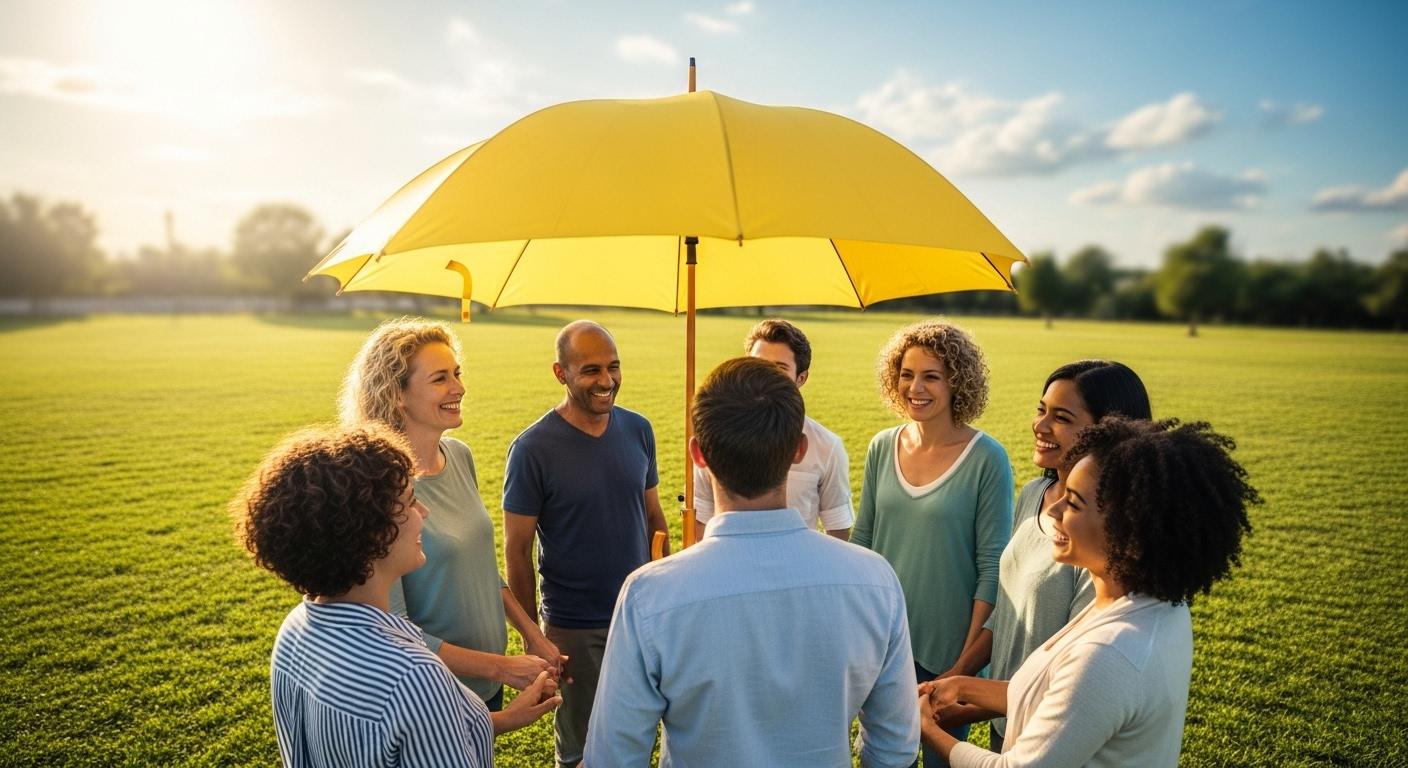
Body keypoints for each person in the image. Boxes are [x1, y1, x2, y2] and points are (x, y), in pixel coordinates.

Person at [584, 357, 920, 767]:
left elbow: (614, 758)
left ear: (698, 455)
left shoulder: (649, 595)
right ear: (799, 449)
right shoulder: (874, 580)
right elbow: (896, 746)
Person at [921, 418, 1258, 767]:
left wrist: (927, 729)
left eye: (1075, 503)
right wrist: (962, 687)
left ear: (1132, 535)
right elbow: (1062, 697)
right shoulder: (1144, 604)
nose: (1053, 510)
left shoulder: (1110, 653)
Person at [231, 424, 560, 767]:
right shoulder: (415, 676)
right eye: (410, 502)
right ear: (371, 534)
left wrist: (504, 719)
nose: (424, 513)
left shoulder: (294, 631)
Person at [340, 318, 563, 712]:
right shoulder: (379, 489)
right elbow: (393, 628)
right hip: (429, 690)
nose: (458, 388)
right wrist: (502, 668)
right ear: (396, 395)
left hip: (488, 682)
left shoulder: (460, 456)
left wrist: (532, 634)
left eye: (457, 374)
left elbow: (479, 566)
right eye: (440, 378)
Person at [940, 361, 1151, 752]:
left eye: (1062, 417)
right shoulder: (1033, 494)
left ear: (1107, 430)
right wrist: (956, 676)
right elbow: (1007, 612)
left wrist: (968, 706)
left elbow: (1075, 665)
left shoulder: (1101, 536)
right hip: (1002, 716)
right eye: (1041, 410)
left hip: (1050, 728)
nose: (1040, 425)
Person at [503, 320, 670, 768]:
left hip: (640, 614)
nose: (606, 381)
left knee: (639, 737)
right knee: (582, 749)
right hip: (574, 625)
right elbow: (516, 549)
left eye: (613, 367)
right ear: (561, 373)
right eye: (591, 370)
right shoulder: (532, 449)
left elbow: (654, 516)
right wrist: (532, 634)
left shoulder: (638, 430)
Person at [851, 318, 1013, 766]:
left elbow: (992, 569)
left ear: (957, 381)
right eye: (906, 374)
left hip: (947, 654)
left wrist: (961, 670)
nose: (914, 387)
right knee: (882, 756)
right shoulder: (882, 446)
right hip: (883, 639)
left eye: (931, 376)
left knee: (943, 760)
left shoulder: (987, 458)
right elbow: (863, 540)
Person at [693, 318, 854, 540]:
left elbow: (837, 528)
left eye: (779, 369)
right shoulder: (714, 432)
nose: (764, 376)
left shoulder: (827, 446)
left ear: (801, 378)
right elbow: (700, 517)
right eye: (757, 364)